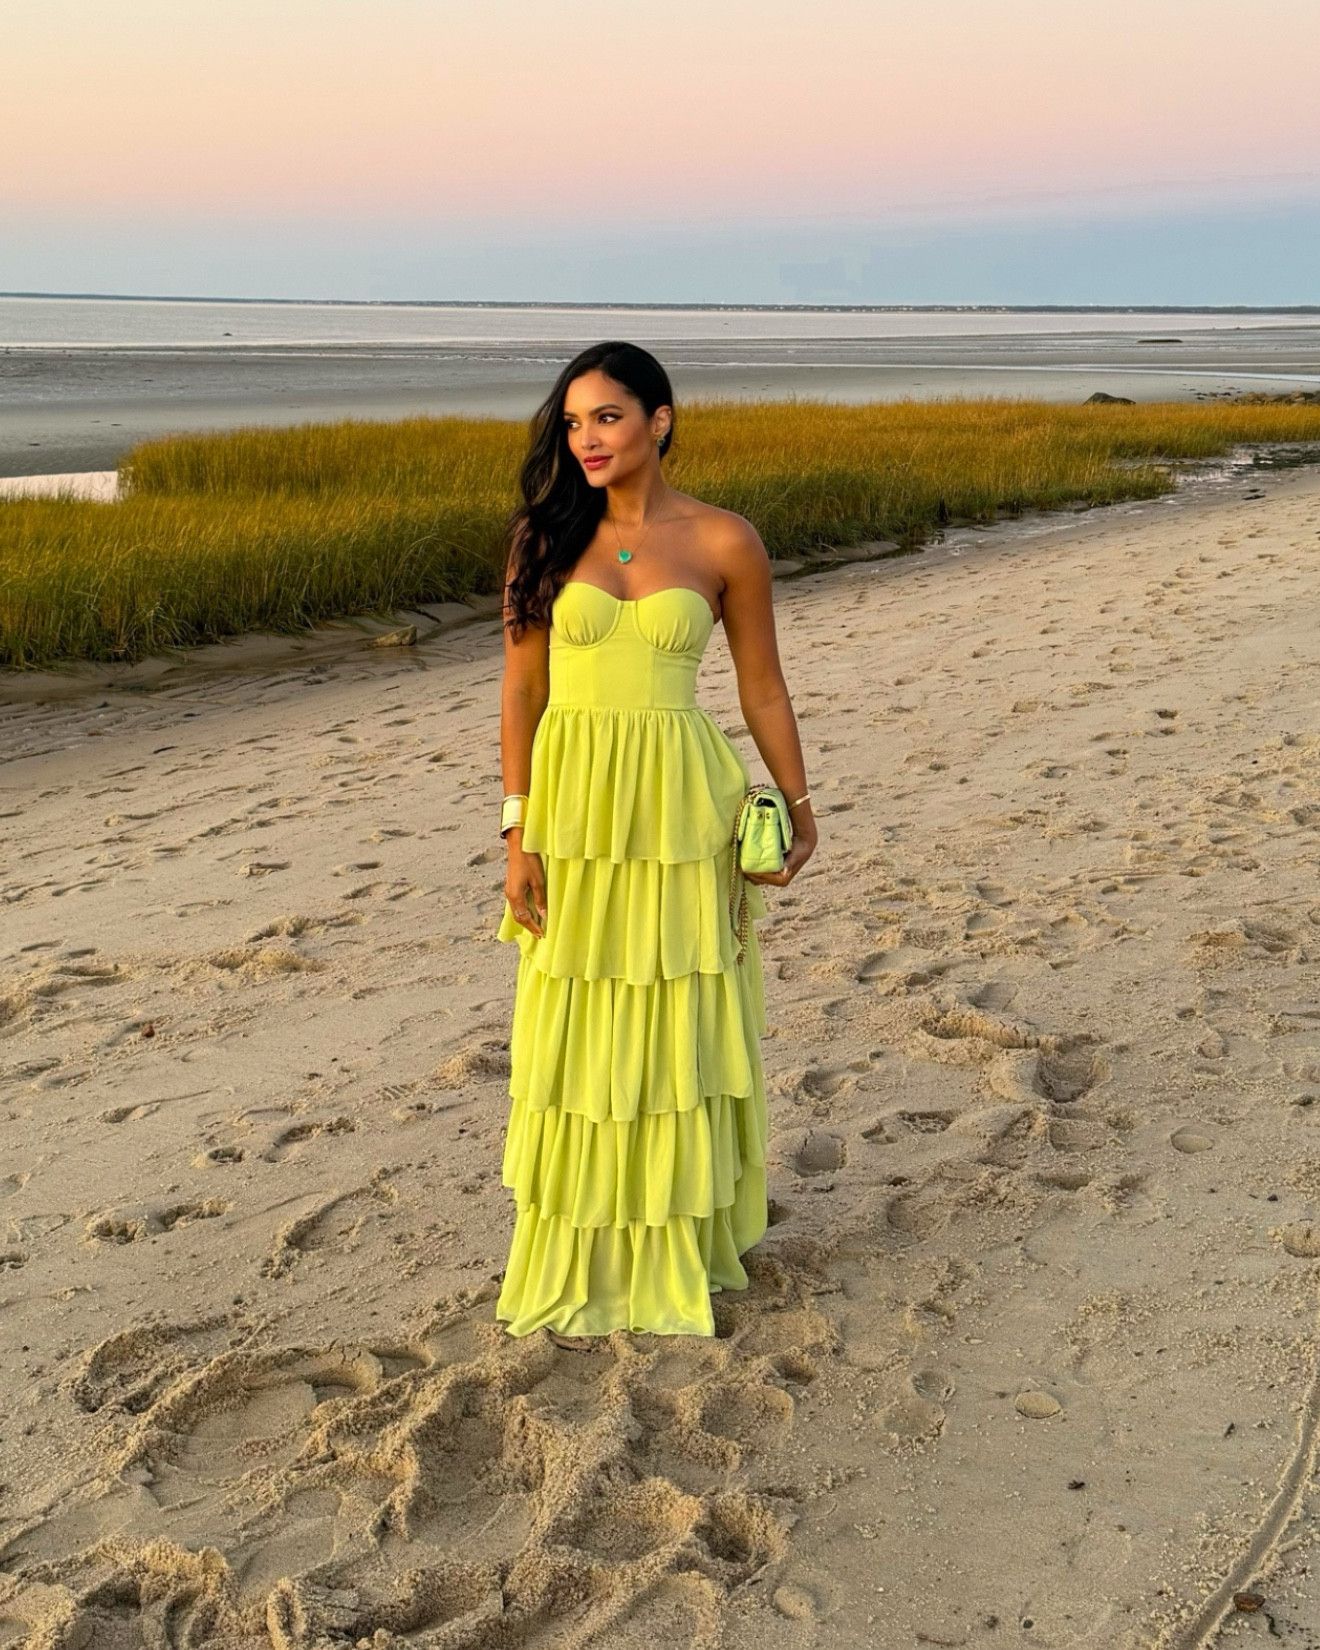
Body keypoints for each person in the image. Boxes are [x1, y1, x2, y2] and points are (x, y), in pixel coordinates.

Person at [494, 340, 816, 1339]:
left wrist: (799, 803)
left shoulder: (725, 542)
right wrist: (518, 833)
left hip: (683, 808)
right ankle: (586, 1248)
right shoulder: (541, 541)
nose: (589, 438)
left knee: (677, 1018)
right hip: (577, 814)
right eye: (576, 420)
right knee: (581, 1018)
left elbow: (760, 684)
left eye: (610, 417)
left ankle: (680, 1235)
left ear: (660, 419)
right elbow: (522, 690)